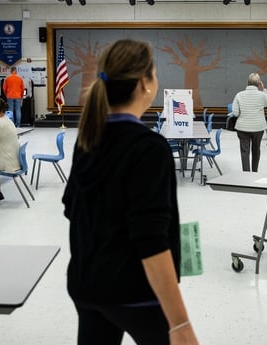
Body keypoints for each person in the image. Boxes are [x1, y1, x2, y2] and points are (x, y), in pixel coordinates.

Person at [62, 39, 199, 345]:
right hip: (134, 292)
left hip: (87, 285)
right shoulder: (149, 148)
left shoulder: (87, 140)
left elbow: (72, 208)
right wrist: (180, 323)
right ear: (144, 84)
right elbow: (151, 241)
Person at [230, 72, 267, 172]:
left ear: (247, 82)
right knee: (256, 150)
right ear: (259, 83)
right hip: (258, 128)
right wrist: (263, 89)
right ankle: (255, 172)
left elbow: (235, 113)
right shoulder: (262, 95)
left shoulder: (239, 95)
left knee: (245, 152)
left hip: (243, 128)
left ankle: (246, 174)